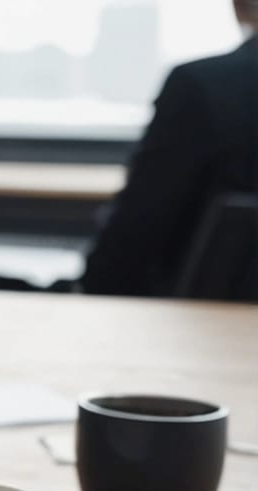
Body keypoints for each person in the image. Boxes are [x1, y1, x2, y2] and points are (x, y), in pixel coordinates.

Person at [82, 1, 258, 297]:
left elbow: (141, 221)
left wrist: (89, 292)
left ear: (240, 8)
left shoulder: (202, 84)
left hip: (202, 317)